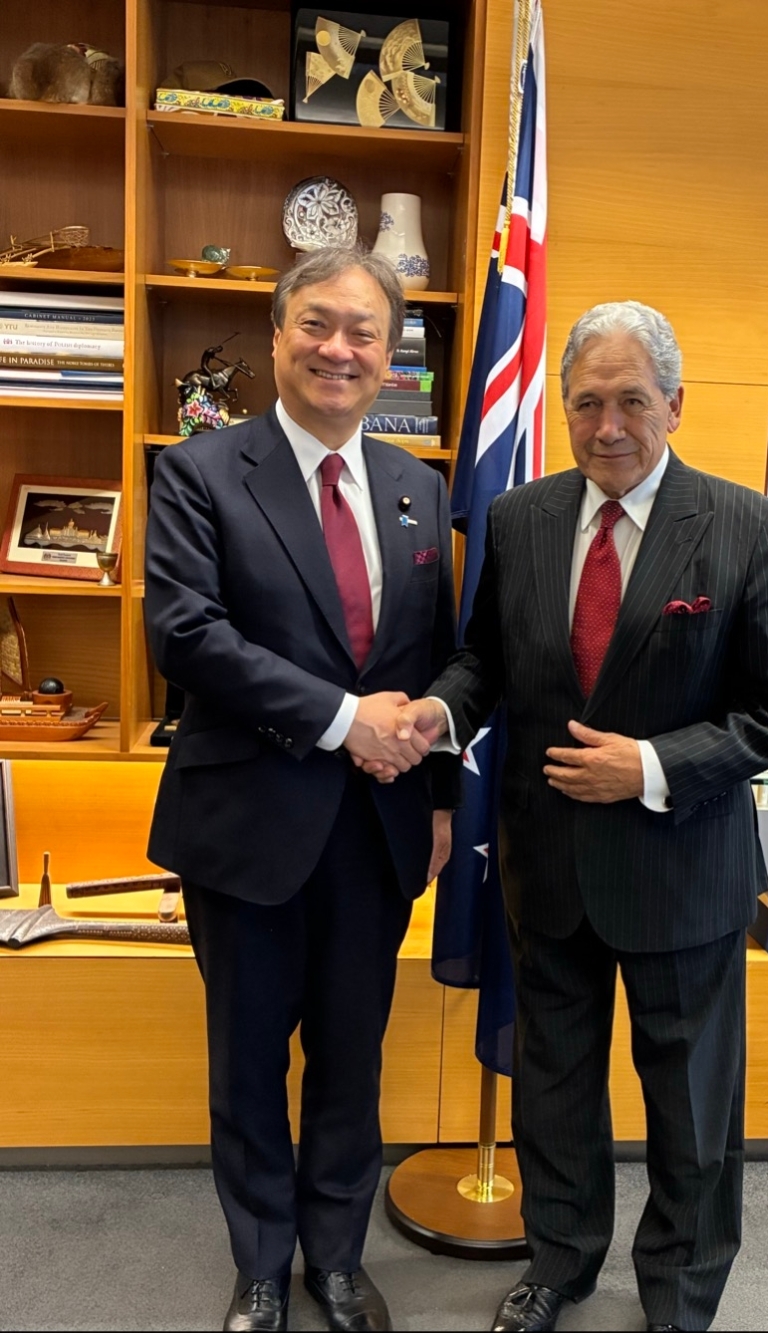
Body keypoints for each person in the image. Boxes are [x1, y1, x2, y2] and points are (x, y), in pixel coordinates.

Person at [390, 302, 768, 1332]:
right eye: (587, 401)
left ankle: (677, 1291)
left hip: (682, 865)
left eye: (631, 400)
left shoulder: (745, 524)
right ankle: (562, 1263)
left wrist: (654, 766)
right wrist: (443, 708)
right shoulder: (521, 518)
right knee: (554, 1093)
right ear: (565, 408)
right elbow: (486, 659)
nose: (608, 423)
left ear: (673, 403)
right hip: (549, 867)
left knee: (692, 1107)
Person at [144, 245, 460, 1333]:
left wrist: (440, 797)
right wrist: (343, 719)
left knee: (348, 1055)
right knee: (246, 1061)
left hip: (375, 828)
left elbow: (439, 656)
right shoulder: (198, 471)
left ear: (390, 354)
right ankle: (262, 1265)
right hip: (247, 826)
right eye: (317, 324)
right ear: (278, 336)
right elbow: (185, 634)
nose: (340, 349)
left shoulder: (421, 486)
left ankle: (336, 1253)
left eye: (364, 332)